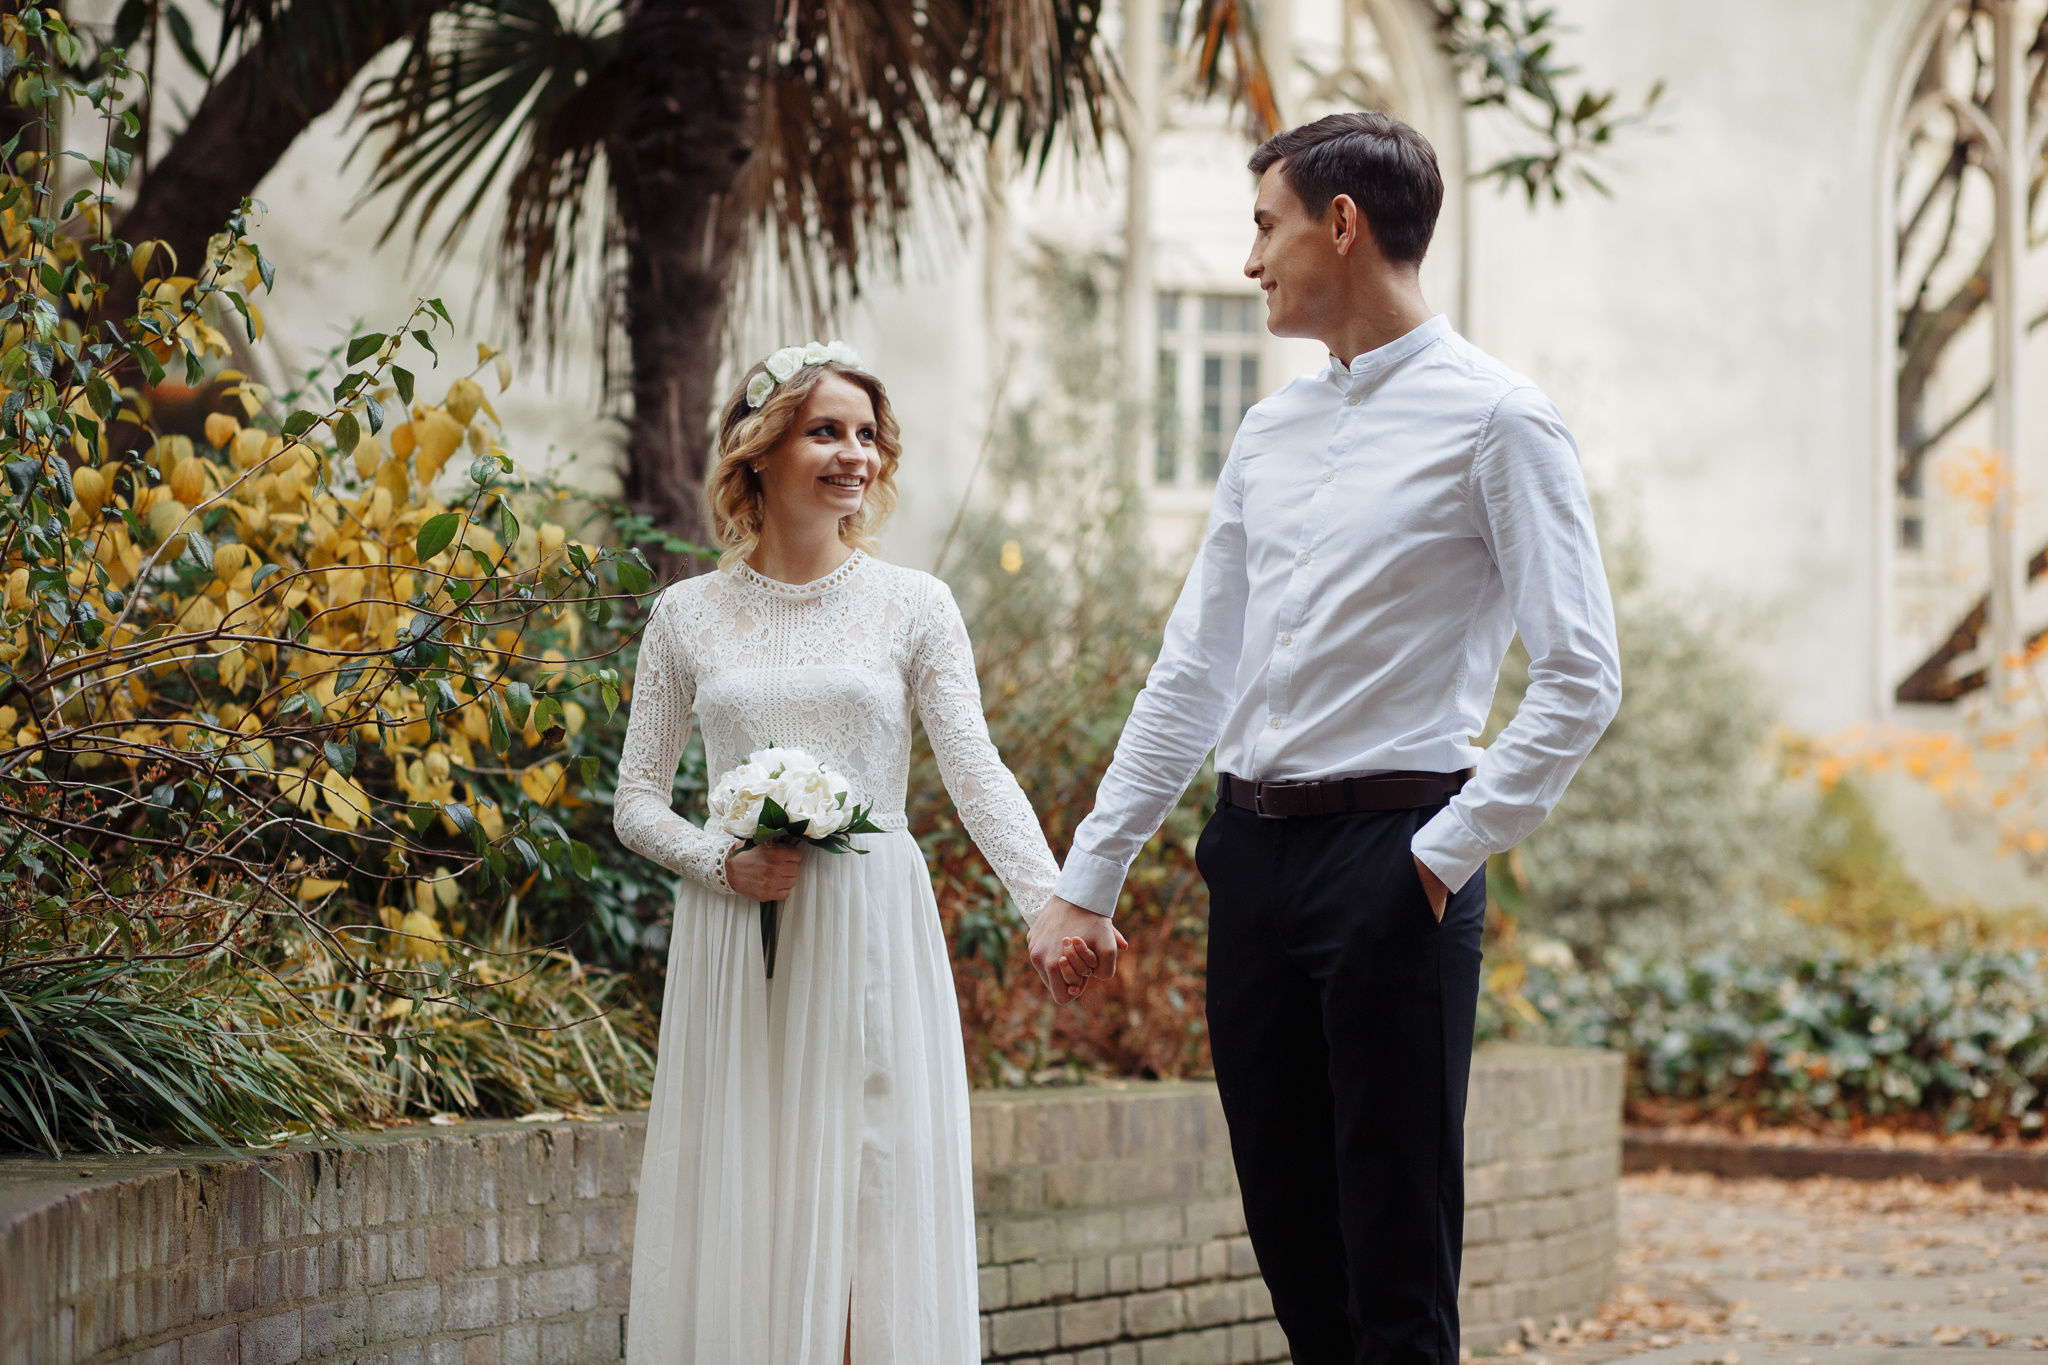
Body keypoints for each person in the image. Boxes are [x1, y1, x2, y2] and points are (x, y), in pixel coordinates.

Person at [1024, 112, 1624, 1365]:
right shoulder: (1266, 432)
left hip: (1393, 858)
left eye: (1263, 225)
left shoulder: (1499, 421)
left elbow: (1578, 676)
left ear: (1338, 225)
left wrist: (1438, 853)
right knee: (1294, 1249)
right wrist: (1088, 875)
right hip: (1250, 857)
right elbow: (1193, 668)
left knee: (1393, 1261)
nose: (1250, 262)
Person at [613, 343, 1096, 1363]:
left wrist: (1049, 900)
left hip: (872, 934)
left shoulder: (914, 605)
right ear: (761, 449)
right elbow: (635, 802)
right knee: (749, 1191)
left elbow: (975, 772)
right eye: (826, 430)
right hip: (739, 936)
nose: (854, 455)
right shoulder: (685, 616)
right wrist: (721, 864)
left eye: (866, 435)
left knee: (870, 1195)